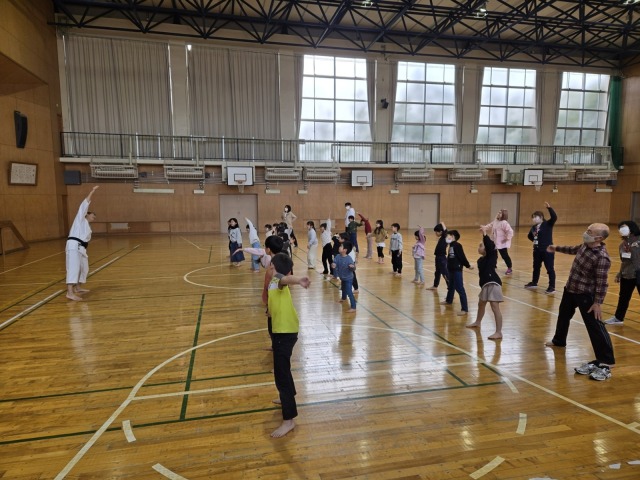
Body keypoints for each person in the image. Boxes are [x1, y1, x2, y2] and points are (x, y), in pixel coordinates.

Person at [544, 223, 615, 381]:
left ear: (599, 238)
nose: (586, 233)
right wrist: (556, 248)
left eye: (590, 231)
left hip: (586, 295)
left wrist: (597, 303)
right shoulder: (585, 245)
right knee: (563, 315)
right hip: (571, 289)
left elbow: (602, 283)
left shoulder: (601, 257)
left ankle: (607, 360)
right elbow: (573, 249)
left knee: (595, 326)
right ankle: (559, 340)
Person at [267, 252, 310, 437]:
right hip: (284, 330)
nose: (269, 268)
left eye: (271, 265)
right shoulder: (273, 283)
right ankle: (287, 396)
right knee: (283, 370)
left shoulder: (278, 280)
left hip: (284, 333)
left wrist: (299, 280)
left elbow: (285, 279)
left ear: (274, 268)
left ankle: (289, 420)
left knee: (281, 374)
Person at [466, 226, 503, 339]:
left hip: (493, 284)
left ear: (487, 248)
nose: (479, 247)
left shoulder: (492, 256)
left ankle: (498, 332)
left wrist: (485, 234)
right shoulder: (480, 260)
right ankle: (478, 322)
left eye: (481, 245)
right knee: (481, 303)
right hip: (485, 285)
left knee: (494, 307)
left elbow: (490, 247)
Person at [66, 185, 99, 301]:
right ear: (86, 214)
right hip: (74, 246)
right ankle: (70, 292)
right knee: (73, 268)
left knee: (84, 268)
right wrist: (92, 191)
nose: (94, 217)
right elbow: (84, 205)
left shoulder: (87, 226)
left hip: (81, 248)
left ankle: (78, 287)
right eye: (93, 215)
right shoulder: (80, 220)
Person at [605, 220, 640, 325]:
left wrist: (633, 248)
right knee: (623, 297)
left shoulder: (638, 242)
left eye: (624, 227)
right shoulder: (622, 245)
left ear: (632, 228)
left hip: (638, 274)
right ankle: (618, 318)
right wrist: (620, 273)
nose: (621, 230)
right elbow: (624, 261)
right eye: (620, 228)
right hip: (627, 274)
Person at [526, 201, 557, 294]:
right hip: (537, 250)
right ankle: (534, 282)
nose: (534, 219)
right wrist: (536, 242)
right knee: (536, 267)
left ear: (541, 217)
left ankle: (552, 287)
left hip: (547, 250)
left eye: (536, 217)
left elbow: (554, 217)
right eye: (533, 217)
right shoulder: (534, 227)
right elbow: (529, 236)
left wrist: (549, 208)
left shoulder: (547, 224)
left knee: (549, 269)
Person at [442, 229, 473, 316]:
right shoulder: (451, 245)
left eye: (448, 236)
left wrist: (468, 265)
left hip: (457, 270)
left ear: (453, 237)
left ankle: (464, 309)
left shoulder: (457, 245)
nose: (447, 237)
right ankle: (449, 300)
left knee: (459, 288)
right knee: (451, 286)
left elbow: (462, 257)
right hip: (451, 269)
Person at [483, 209, 514, 275]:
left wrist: (507, 238)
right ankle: (493, 265)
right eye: (498, 212)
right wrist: (484, 228)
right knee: (493, 253)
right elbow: (490, 225)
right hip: (494, 240)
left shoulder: (504, 223)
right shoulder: (496, 221)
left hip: (501, 243)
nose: (498, 214)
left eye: (500, 213)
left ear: (504, 215)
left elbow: (510, 231)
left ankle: (509, 267)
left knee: (504, 255)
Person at [332, 240, 357, 312]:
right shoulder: (337, 256)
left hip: (349, 278)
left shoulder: (349, 259)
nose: (339, 247)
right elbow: (334, 263)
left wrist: (352, 267)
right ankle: (343, 298)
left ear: (345, 250)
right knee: (343, 288)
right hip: (342, 277)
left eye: (341, 246)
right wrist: (333, 265)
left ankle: (353, 307)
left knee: (349, 291)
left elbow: (353, 268)